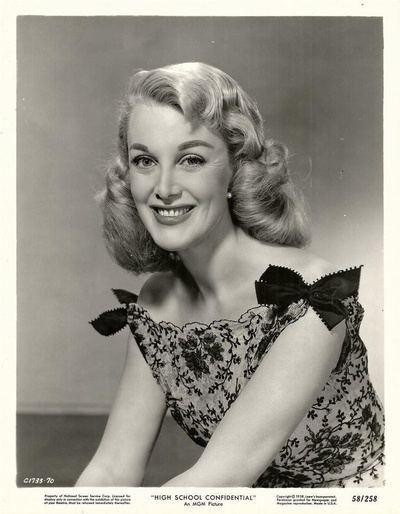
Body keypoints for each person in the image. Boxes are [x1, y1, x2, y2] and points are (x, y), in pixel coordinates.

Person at [76, 62, 384, 488]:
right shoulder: (158, 302)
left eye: (191, 159)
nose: (164, 188)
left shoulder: (312, 298)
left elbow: (219, 477)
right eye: (145, 160)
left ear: (234, 170)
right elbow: (112, 467)